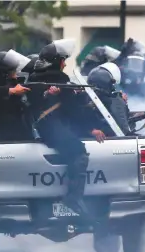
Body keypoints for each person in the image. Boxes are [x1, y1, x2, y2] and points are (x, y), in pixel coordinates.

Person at [27, 39, 106, 218]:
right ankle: (73, 197)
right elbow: (72, 110)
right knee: (79, 150)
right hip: (50, 125)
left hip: (43, 126)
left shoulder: (33, 78)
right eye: (63, 60)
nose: (64, 64)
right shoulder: (60, 79)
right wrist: (91, 129)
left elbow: (32, 102)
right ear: (57, 61)